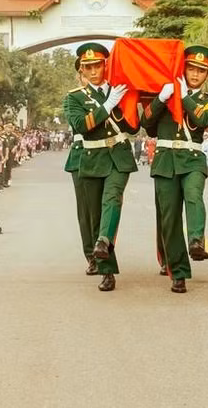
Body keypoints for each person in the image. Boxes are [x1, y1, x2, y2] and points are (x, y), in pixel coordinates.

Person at [141, 45, 208, 293]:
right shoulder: (164, 96)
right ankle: (178, 272)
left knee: (194, 195)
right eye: (191, 69)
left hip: (192, 158)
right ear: (183, 69)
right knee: (170, 219)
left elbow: (203, 120)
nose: (195, 74)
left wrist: (184, 96)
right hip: (165, 161)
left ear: (207, 75)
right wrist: (161, 98)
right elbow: (146, 124)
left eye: (201, 71)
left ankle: (196, 240)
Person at [64, 42, 138, 292]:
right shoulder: (74, 97)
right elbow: (80, 125)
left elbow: (133, 127)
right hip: (92, 158)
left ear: (106, 66)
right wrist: (108, 105)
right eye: (88, 67)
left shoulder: (119, 91)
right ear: (82, 70)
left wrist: (127, 102)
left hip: (118, 157)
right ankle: (105, 268)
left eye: (98, 65)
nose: (94, 70)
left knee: (112, 199)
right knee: (93, 215)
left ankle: (104, 241)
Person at [64, 56, 96, 274]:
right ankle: (91, 255)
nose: (90, 74)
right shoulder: (74, 98)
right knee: (86, 211)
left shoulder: (107, 94)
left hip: (105, 155)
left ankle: (104, 249)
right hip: (82, 155)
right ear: (80, 74)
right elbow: (80, 124)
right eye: (86, 71)